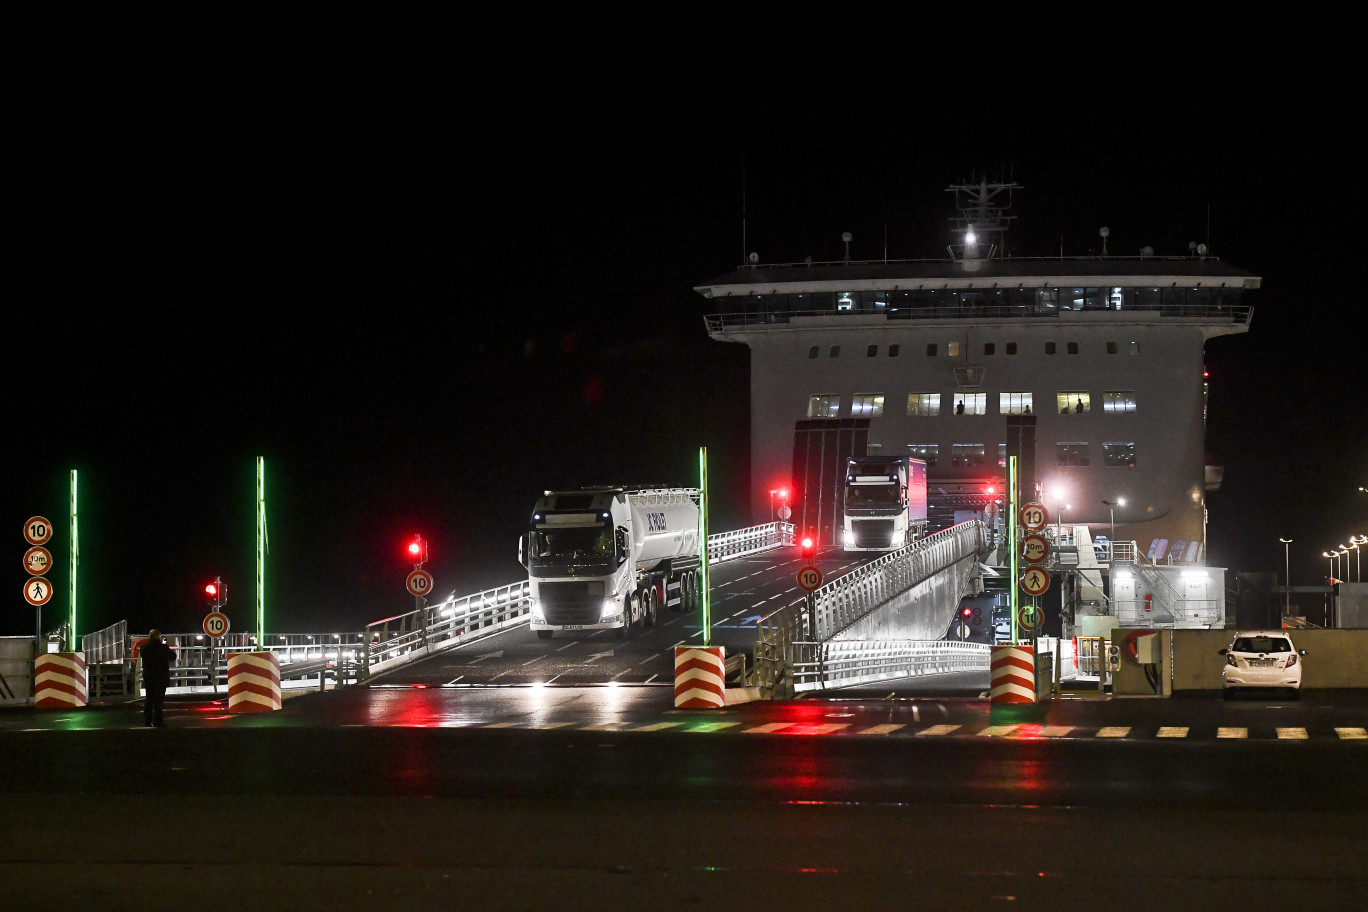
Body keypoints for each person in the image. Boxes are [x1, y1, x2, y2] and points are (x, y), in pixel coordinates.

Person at [140, 629, 176, 727]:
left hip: (149, 676)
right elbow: (173, 656)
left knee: (149, 699)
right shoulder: (163, 647)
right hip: (161, 676)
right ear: (159, 637)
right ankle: (158, 721)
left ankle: (147, 720)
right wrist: (164, 645)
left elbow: (143, 656)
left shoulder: (144, 647)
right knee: (159, 700)